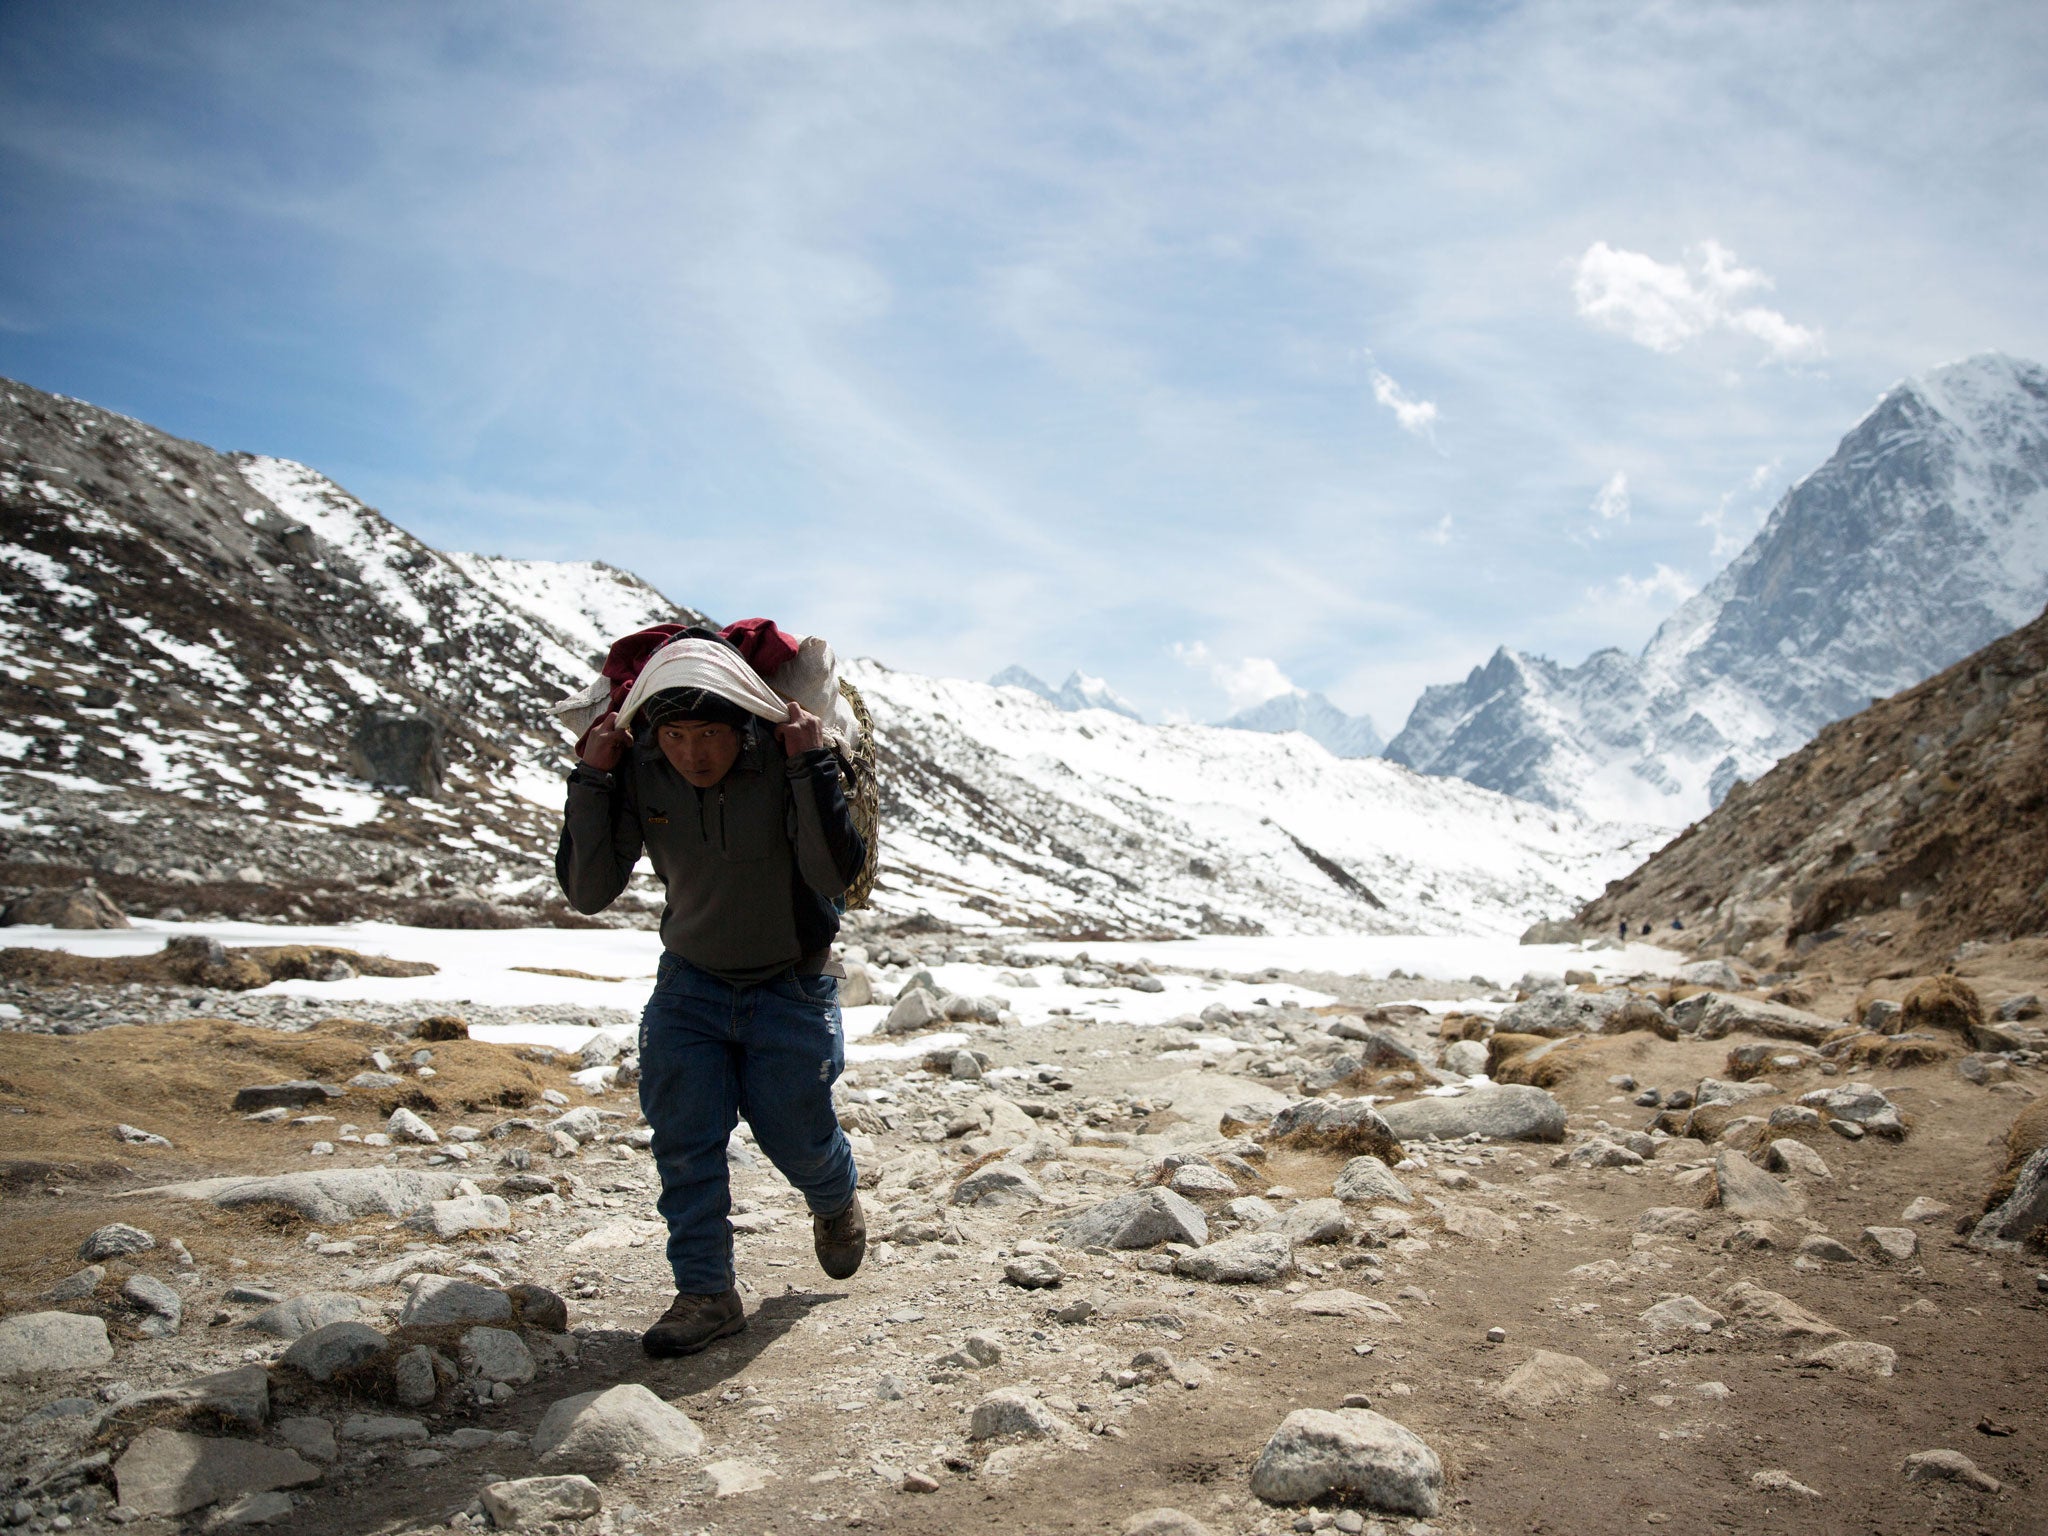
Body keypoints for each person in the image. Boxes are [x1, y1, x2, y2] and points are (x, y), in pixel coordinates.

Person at [555, 636, 868, 1357]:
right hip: (689, 986)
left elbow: (832, 875)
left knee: (798, 1137)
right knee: (685, 1140)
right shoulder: (642, 772)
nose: (694, 755)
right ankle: (706, 1292)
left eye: (710, 736)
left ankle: (834, 1196)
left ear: (742, 728)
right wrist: (592, 781)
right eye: (676, 736)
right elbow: (589, 890)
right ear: (654, 737)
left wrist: (811, 766)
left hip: (790, 985)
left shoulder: (783, 763)